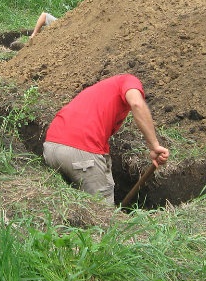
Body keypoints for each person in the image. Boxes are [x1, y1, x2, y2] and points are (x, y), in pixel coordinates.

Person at [43, 73, 170, 204]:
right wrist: (154, 145)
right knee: (103, 213)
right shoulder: (128, 80)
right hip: (80, 150)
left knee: (76, 206)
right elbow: (137, 104)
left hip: (51, 147)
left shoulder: (100, 92)